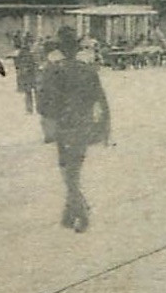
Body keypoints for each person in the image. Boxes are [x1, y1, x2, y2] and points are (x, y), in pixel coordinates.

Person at [35, 25, 111, 233]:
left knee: (67, 168)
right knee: (75, 167)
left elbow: (42, 102)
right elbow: (101, 100)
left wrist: (47, 120)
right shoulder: (87, 69)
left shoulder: (53, 69)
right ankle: (70, 213)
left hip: (63, 125)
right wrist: (105, 127)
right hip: (84, 123)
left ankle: (79, 210)